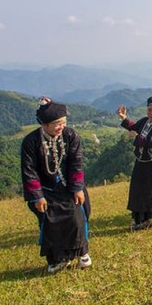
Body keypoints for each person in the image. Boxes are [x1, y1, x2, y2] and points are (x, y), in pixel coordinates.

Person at [21, 97, 91, 273]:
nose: (61, 127)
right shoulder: (31, 142)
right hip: (46, 191)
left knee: (77, 217)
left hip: (70, 188)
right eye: (56, 124)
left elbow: (77, 162)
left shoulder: (70, 135)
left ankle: (82, 253)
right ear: (44, 124)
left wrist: (77, 188)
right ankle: (57, 259)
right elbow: (29, 171)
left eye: (63, 122)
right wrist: (37, 196)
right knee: (51, 224)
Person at [117, 96, 152, 230]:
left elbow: (151, 141)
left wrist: (135, 136)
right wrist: (123, 118)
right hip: (142, 160)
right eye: (149, 110)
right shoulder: (144, 121)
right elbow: (134, 127)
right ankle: (142, 219)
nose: (151, 113)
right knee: (139, 189)